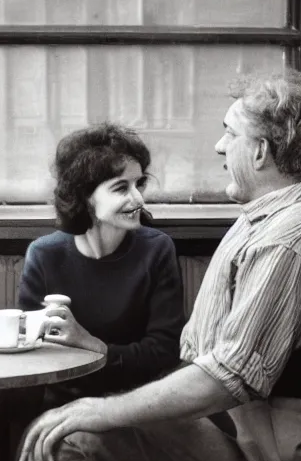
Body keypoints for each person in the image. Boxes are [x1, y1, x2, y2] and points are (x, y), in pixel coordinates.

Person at [13, 70, 301, 461]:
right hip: (229, 424)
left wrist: (103, 410)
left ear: (260, 151)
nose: (219, 146)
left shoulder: (287, 241)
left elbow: (227, 380)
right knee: (59, 427)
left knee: (59, 442)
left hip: (252, 449)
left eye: (229, 134)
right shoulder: (272, 217)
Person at [18, 122, 185, 400]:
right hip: (64, 402)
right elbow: (31, 351)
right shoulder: (44, 255)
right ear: (85, 197)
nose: (138, 198)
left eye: (139, 184)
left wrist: (89, 344)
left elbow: (165, 353)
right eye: (121, 188)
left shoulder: (157, 250)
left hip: (138, 401)